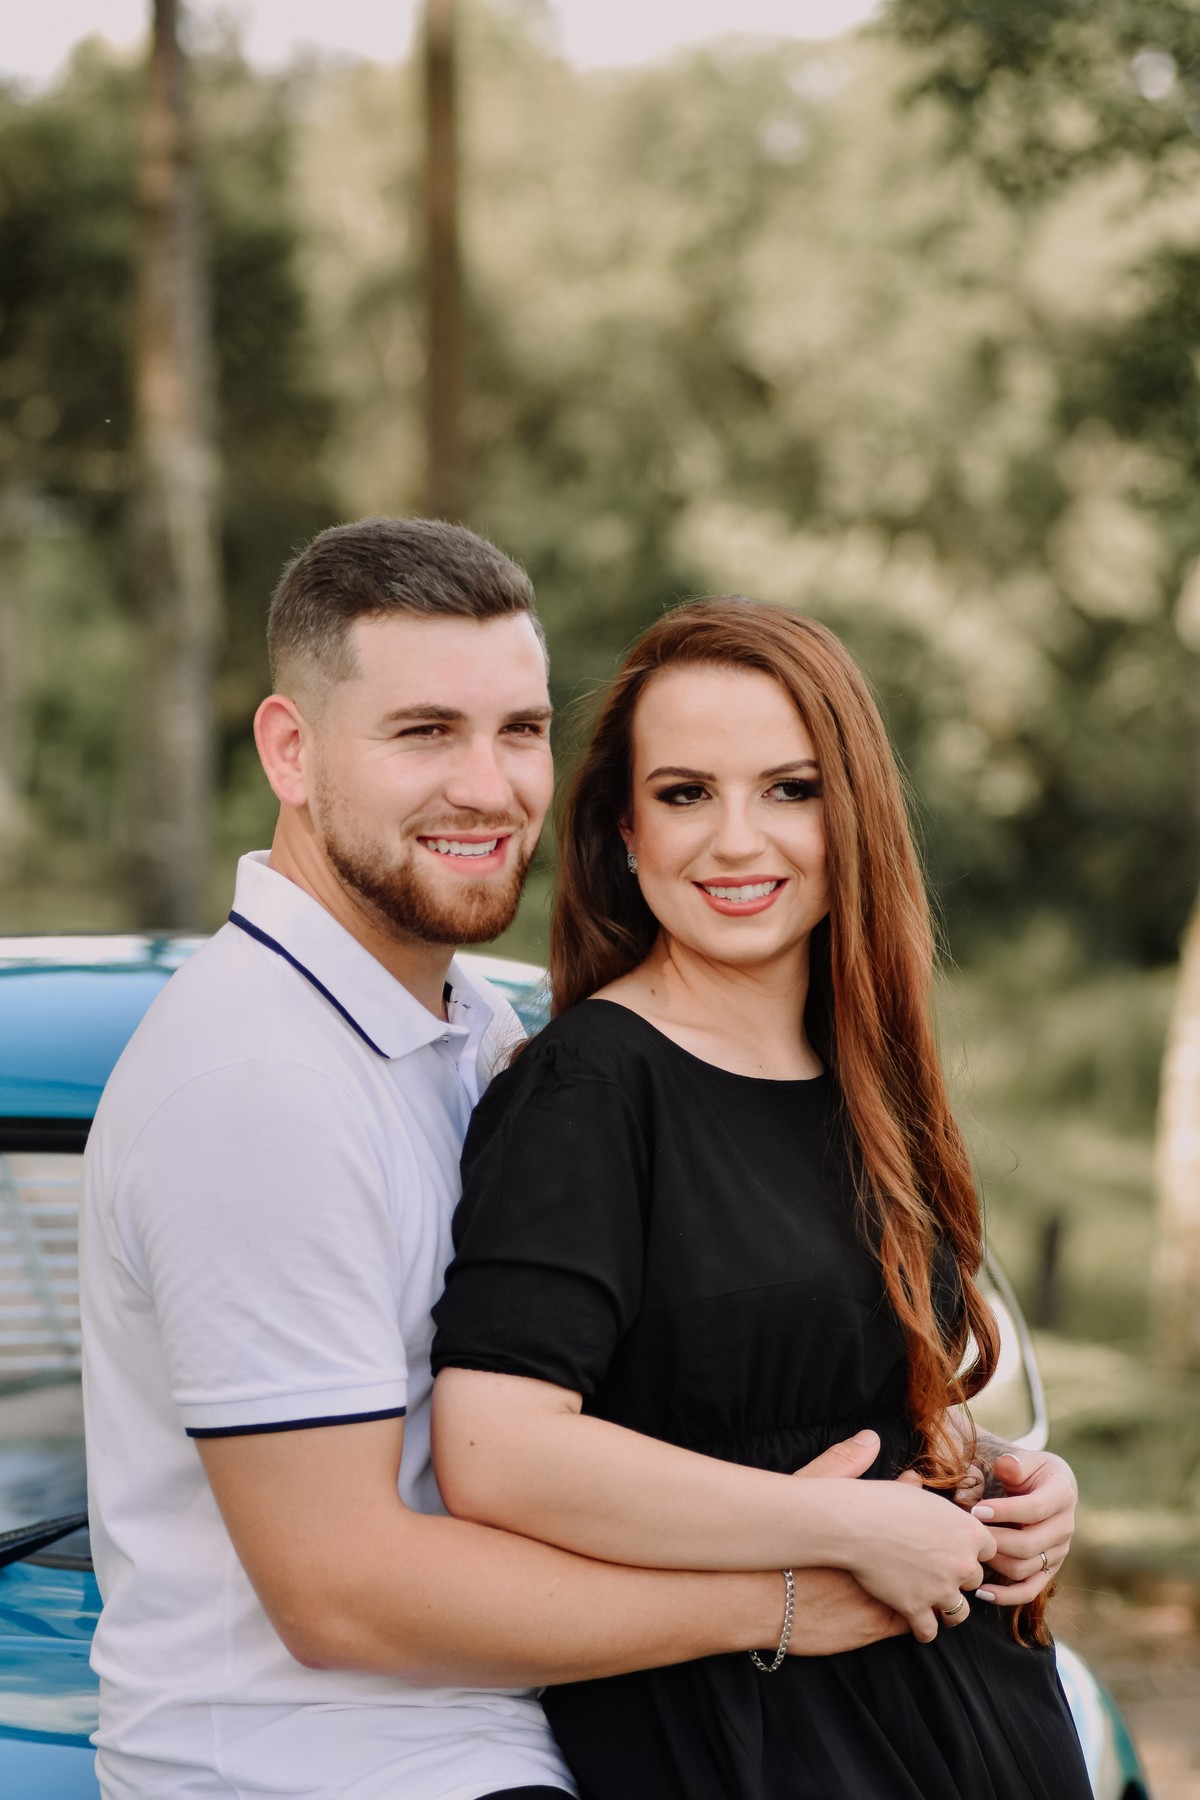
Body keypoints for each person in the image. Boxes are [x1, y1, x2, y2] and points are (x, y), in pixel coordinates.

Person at [81, 521, 966, 1800]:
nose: (490, 787)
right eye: (425, 732)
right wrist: (781, 1597)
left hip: (506, 1739)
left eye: (520, 731)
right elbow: (339, 1594)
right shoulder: (253, 1082)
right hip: (315, 1769)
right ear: (290, 750)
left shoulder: (472, 1031)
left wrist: (966, 1479)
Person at [430, 598, 1093, 1800]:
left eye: (790, 790)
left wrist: (1000, 1481)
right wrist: (845, 1529)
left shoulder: (865, 1083)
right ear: (625, 830)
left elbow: (823, 1402)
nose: (737, 842)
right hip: (746, 1730)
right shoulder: (590, 1087)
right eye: (686, 793)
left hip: (966, 1716)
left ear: (854, 818)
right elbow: (496, 1452)